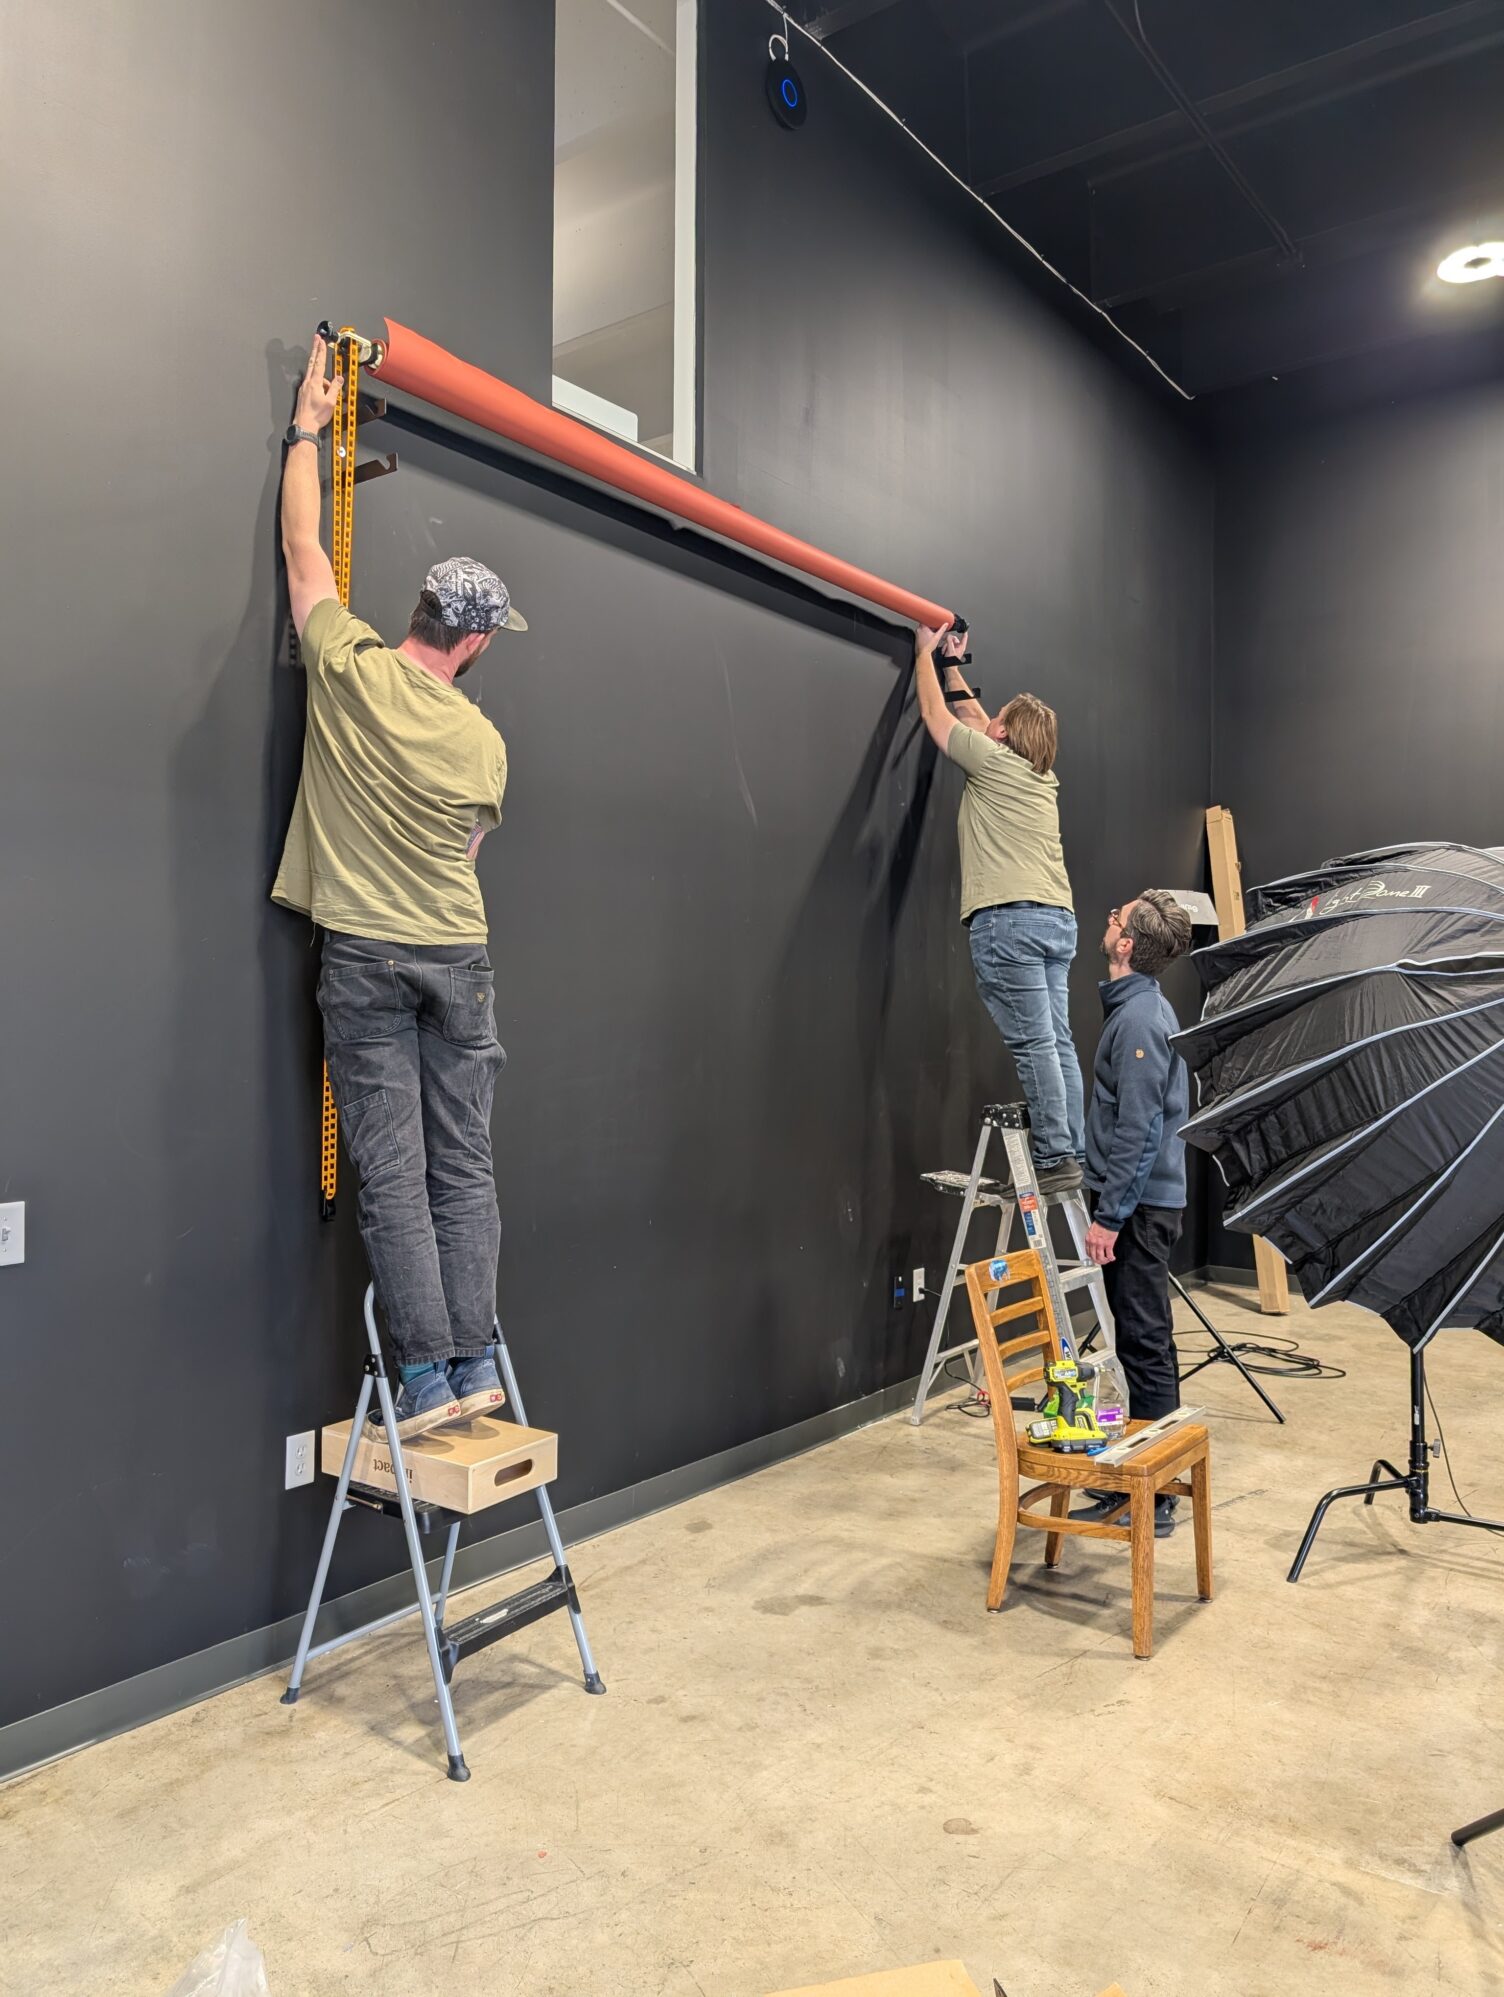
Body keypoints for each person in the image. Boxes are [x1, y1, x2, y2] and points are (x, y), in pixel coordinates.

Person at [273, 332, 528, 1437]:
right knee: (462, 1166)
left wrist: (305, 430)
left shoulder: (352, 670)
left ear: (421, 615)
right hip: (456, 959)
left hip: (366, 956)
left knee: (391, 1171)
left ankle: (423, 1381)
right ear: (473, 645)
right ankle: (473, 1363)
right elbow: (464, 857)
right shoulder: (485, 743)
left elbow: (305, 554)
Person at [913, 624, 1084, 1191]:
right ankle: (1070, 1149)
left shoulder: (990, 763)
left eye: (999, 718)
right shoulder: (1041, 777)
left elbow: (938, 717)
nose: (988, 720)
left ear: (1004, 732)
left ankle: (1054, 1156)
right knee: (1056, 1040)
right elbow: (973, 717)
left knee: (1037, 1043)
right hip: (1056, 919)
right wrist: (952, 663)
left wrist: (923, 655)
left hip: (1010, 921)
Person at [1077, 890, 1194, 1535]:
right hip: (1138, 1203)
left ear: (1125, 944)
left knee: (1145, 1344)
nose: (1108, 918)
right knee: (1139, 1339)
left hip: (1140, 1209)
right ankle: (1141, 1481)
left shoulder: (1142, 1019)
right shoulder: (1135, 1009)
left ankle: (1156, 1498)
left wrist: (1110, 1216)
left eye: (1115, 917)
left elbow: (1140, 1128)